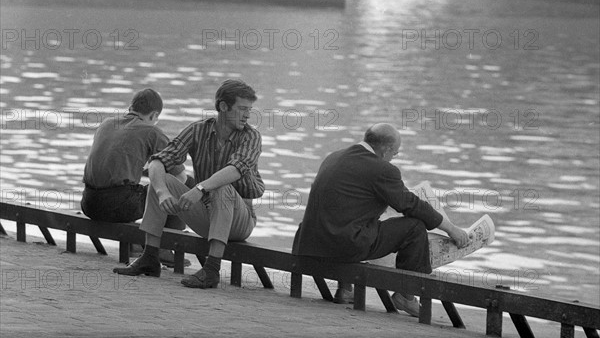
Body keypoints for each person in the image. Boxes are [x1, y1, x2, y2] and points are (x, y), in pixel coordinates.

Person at [292, 123, 469, 316]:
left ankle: (345, 289)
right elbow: (411, 204)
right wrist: (451, 229)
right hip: (343, 246)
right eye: (396, 153)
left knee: (356, 218)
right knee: (414, 227)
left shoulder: (333, 157)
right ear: (386, 150)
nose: (394, 158)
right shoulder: (382, 169)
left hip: (308, 243)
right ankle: (407, 296)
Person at [113, 80, 264, 289]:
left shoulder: (251, 136)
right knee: (162, 179)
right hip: (207, 214)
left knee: (221, 186)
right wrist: (162, 192)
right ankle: (150, 257)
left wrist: (199, 189)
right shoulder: (198, 130)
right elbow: (157, 161)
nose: (248, 115)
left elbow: (235, 170)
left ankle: (211, 270)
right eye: (242, 109)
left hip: (240, 221)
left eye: (249, 109)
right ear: (222, 106)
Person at [81, 88, 189, 266]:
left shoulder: (107, 123)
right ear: (154, 115)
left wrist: (150, 172)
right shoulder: (151, 132)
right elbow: (180, 177)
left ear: (131, 107)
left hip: (89, 203)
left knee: (134, 186)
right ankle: (164, 248)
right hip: (118, 206)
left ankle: (134, 244)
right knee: (183, 185)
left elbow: (116, 165)